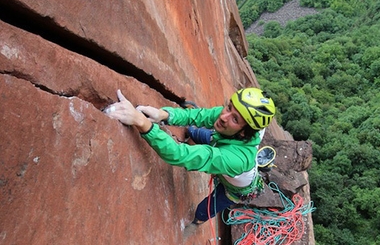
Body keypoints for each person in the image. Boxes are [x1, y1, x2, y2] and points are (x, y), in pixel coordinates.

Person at [104, 87, 275, 223]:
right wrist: (164, 115)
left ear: (244, 133)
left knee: (203, 211)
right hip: (222, 145)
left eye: (235, 119)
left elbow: (179, 154)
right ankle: (203, 138)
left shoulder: (237, 160)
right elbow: (198, 115)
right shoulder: (233, 118)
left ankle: (196, 223)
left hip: (235, 188)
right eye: (228, 107)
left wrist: (142, 122)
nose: (224, 116)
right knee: (195, 130)